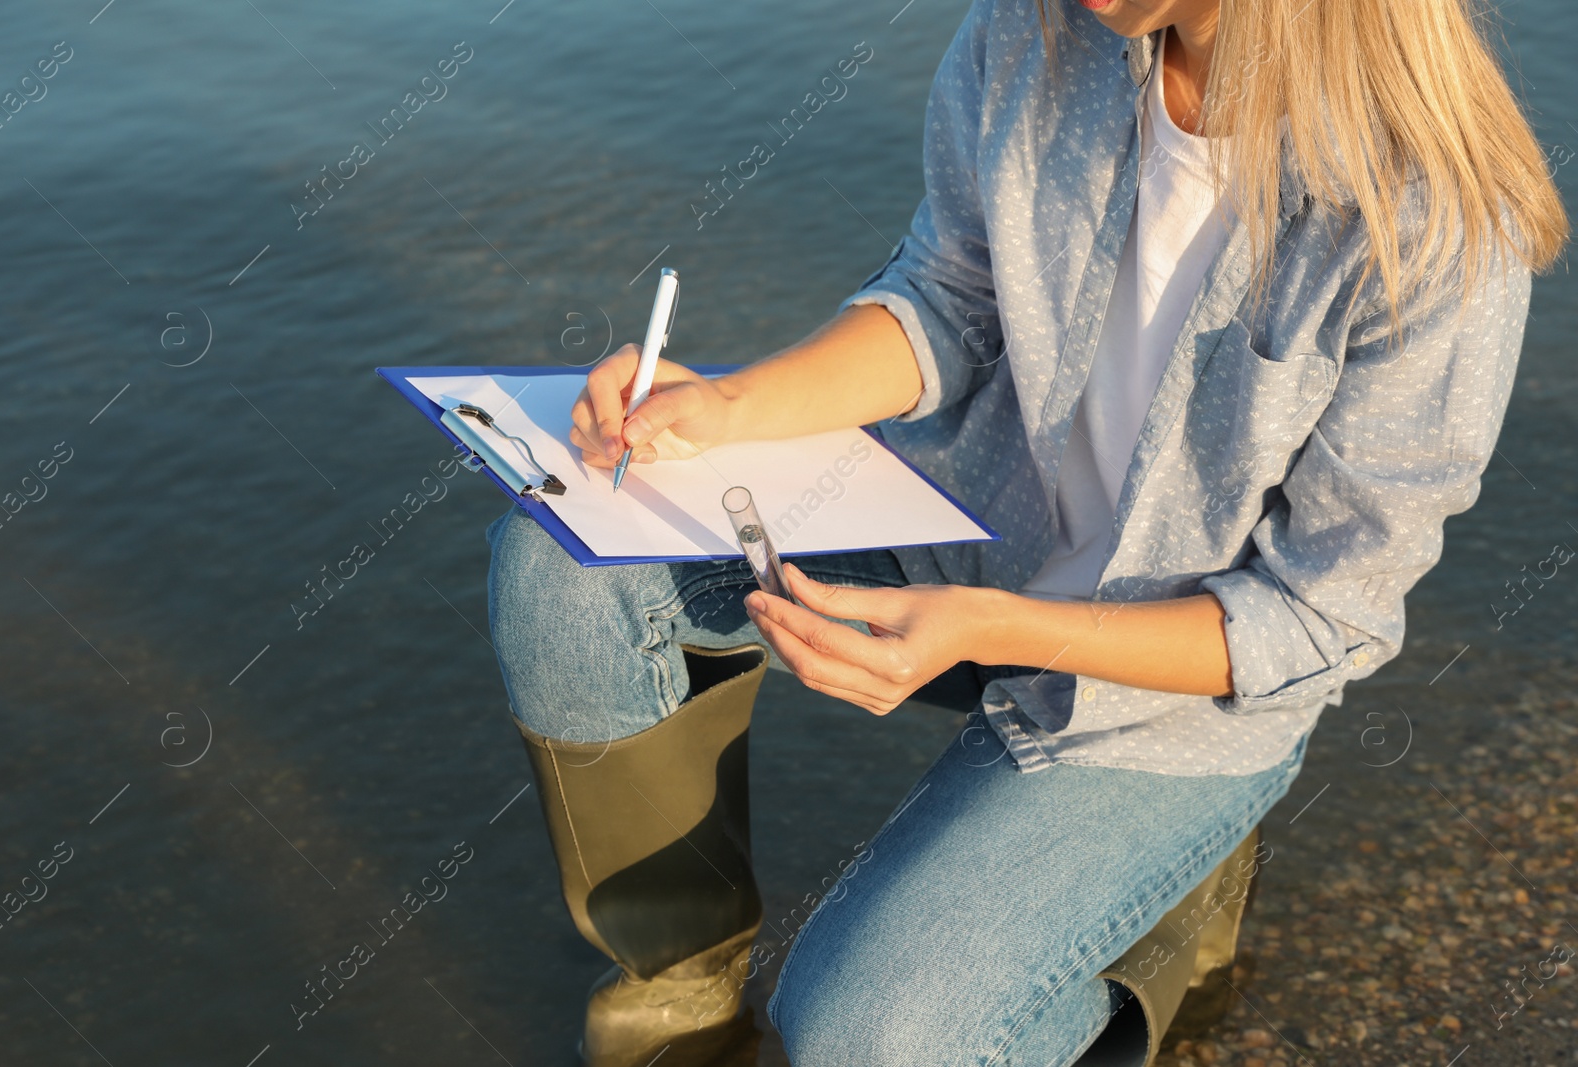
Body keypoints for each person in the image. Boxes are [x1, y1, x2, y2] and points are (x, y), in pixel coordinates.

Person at [487, 0, 1566, 1063]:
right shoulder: (1037, 29)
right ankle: (678, 1003)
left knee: (867, 1040)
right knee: (565, 564)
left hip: (1174, 695)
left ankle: (1153, 940)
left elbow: (1317, 615)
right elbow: (949, 297)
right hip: (964, 522)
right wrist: (728, 406)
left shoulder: (1435, 222)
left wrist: (988, 625)